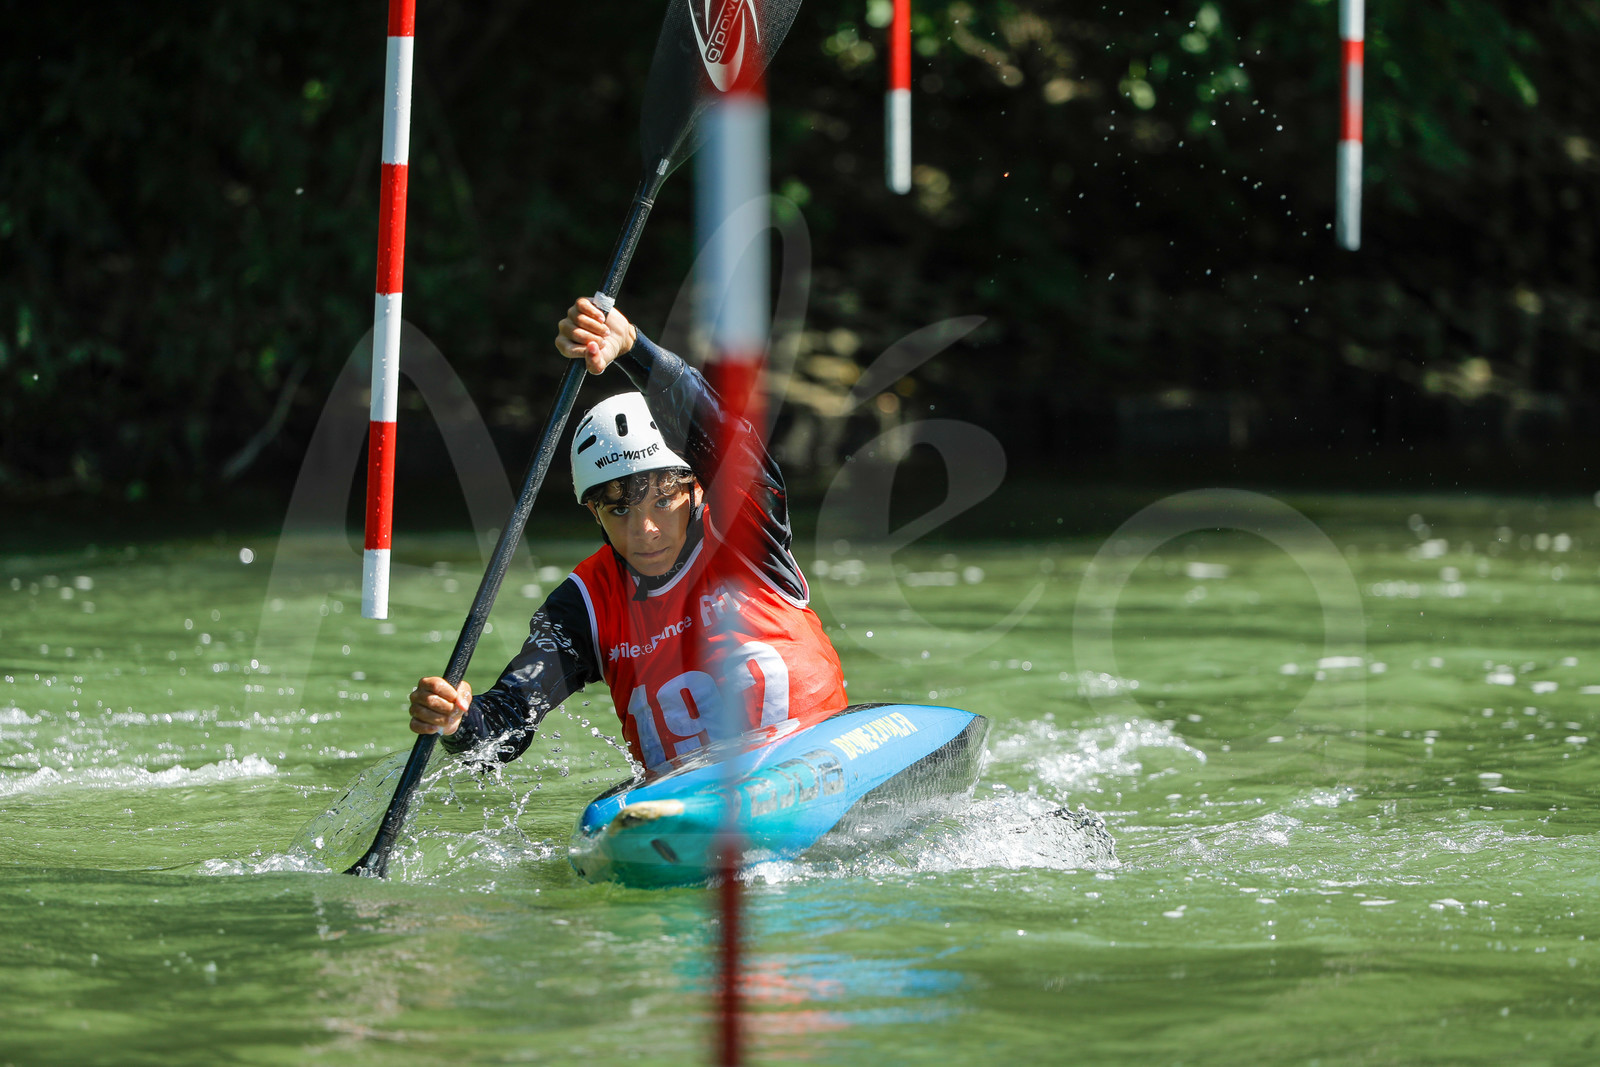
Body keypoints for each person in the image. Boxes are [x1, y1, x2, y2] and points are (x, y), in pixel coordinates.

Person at [404, 297, 848, 776]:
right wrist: (458, 722)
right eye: (619, 510)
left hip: (816, 760)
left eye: (663, 501)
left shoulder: (745, 534)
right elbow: (508, 721)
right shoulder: (583, 606)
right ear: (593, 513)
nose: (645, 531)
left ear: (698, 487)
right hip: (685, 799)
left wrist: (633, 348)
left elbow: (727, 440)